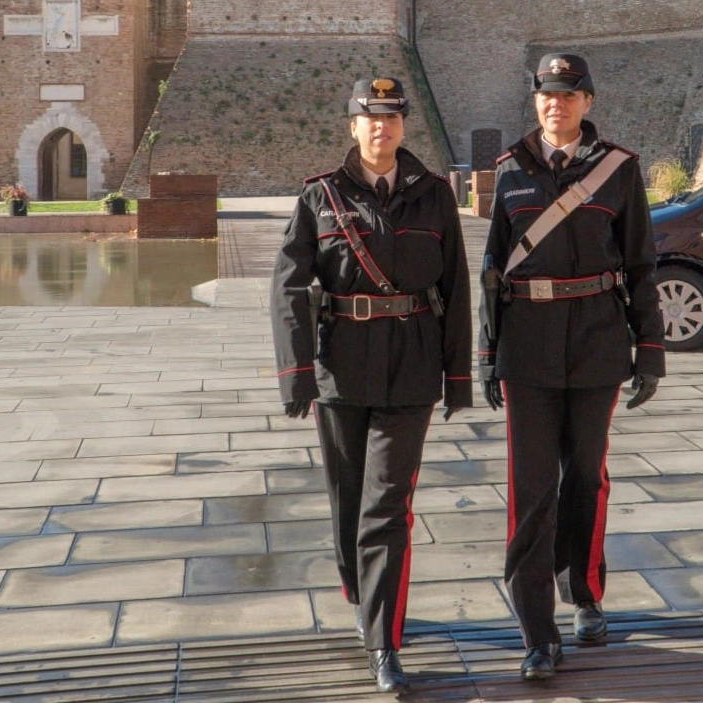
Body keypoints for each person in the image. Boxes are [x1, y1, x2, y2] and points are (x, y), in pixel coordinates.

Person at [269, 76, 472, 694]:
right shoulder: (320, 197)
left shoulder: (435, 197)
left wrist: (458, 375)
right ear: (351, 126)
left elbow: (458, 289)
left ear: (404, 125)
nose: (380, 127)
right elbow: (285, 288)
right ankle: (362, 595)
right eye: (369, 117)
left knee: (386, 505)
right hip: (341, 367)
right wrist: (296, 373)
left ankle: (383, 641)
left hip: (411, 366)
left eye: (391, 117)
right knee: (347, 498)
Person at [477, 53, 665, 681]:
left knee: (585, 478)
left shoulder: (618, 170)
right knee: (532, 492)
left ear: (588, 101)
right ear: (534, 101)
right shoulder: (509, 172)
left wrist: (652, 351)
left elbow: (640, 263)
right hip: (526, 350)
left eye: (567, 93)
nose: (554, 103)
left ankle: (583, 595)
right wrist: (485, 356)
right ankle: (537, 632)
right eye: (544, 94)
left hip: (597, 344)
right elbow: (492, 271)